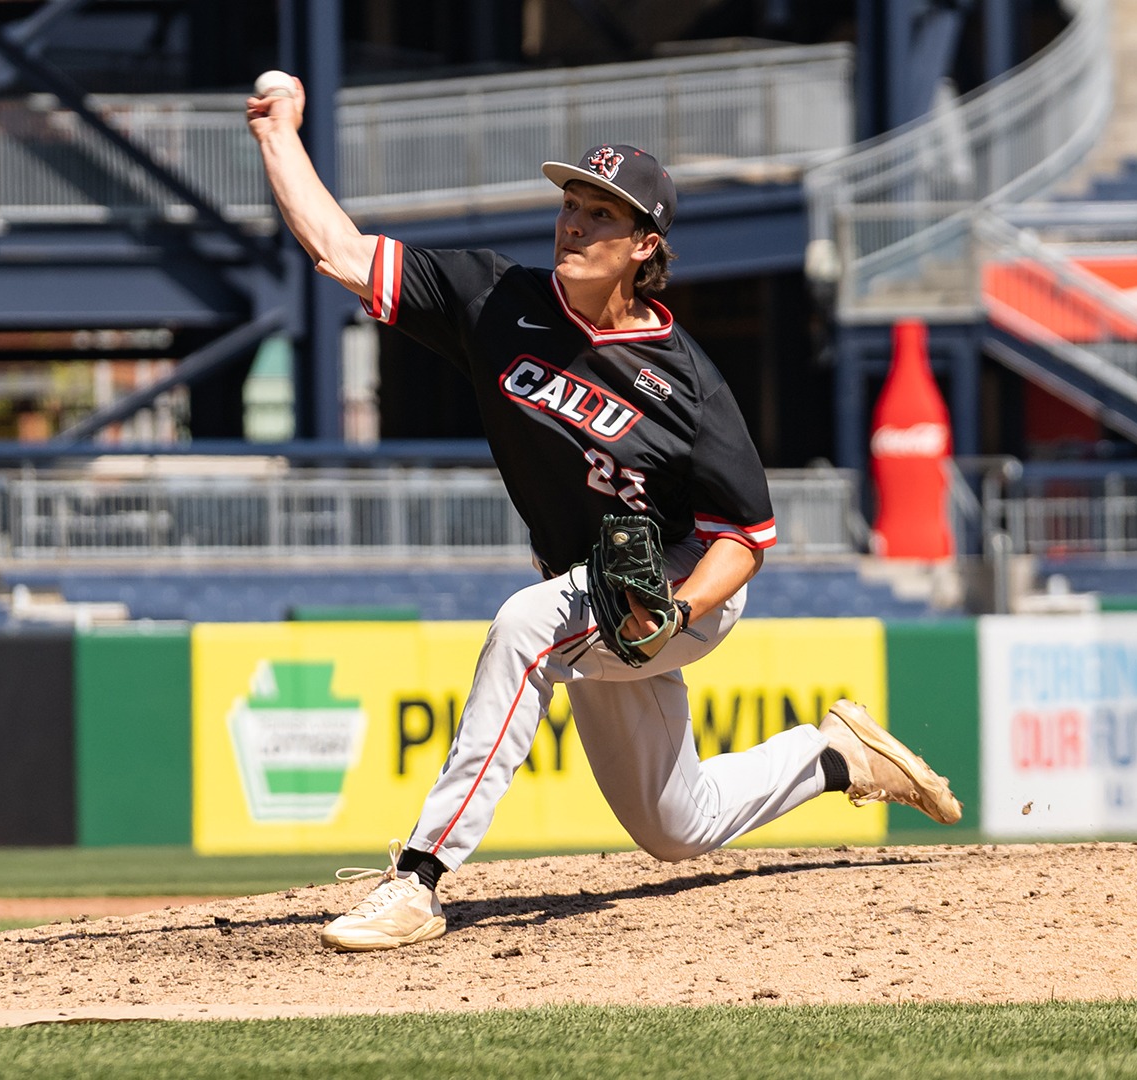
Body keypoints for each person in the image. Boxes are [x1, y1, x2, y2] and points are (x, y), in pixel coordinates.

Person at [246, 75, 962, 952]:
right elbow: (340, 248)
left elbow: (746, 539)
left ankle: (419, 880)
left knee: (522, 628)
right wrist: (278, 133)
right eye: (572, 204)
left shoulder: (688, 383)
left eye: (600, 213)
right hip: (591, 591)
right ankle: (838, 758)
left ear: (644, 245)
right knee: (676, 828)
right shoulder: (496, 301)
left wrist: (676, 613)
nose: (574, 224)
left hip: (682, 585)